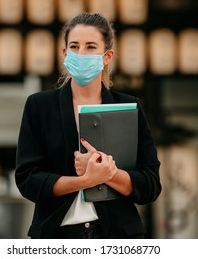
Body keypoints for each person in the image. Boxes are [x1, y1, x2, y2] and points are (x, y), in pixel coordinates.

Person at [15, 13, 161, 239]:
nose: (81, 53)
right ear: (64, 54)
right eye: (74, 46)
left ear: (107, 56)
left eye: (91, 47)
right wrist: (85, 181)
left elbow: (150, 184)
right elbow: (28, 180)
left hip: (118, 238)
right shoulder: (39, 107)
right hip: (57, 236)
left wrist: (108, 172)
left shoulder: (128, 106)